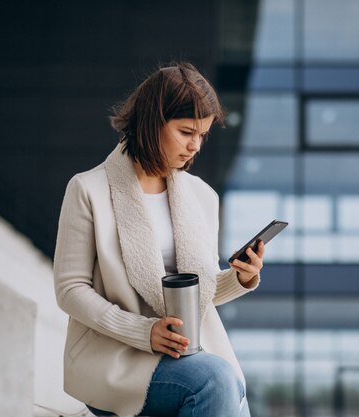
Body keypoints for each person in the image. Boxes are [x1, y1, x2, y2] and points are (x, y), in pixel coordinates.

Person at [53, 62, 265, 417]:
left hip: (186, 355)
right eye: (185, 132)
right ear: (153, 122)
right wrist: (143, 331)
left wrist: (241, 278)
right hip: (117, 358)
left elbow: (195, 295)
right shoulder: (88, 189)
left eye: (202, 135)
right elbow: (70, 290)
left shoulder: (202, 197)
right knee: (216, 381)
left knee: (230, 392)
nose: (194, 146)